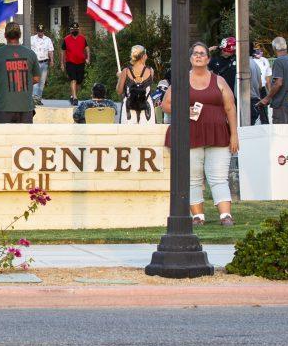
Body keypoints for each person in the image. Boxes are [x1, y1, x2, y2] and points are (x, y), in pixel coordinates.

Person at [160, 41, 239, 226]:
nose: (198, 56)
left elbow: (230, 107)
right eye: (195, 53)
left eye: (202, 53)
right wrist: (184, 110)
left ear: (208, 58)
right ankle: (197, 216)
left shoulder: (219, 80)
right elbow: (165, 104)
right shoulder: (181, 80)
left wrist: (234, 134)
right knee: (193, 177)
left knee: (218, 176)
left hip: (218, 134)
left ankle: (225, 215)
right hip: (190, 133)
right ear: (190, 58)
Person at [0, 23, 39, 123]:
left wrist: (4, 78)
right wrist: (20, 81)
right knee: (24, 138)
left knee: (1, 138)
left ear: (5, 35)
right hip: (25, 106)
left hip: (2, 106)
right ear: (20, 35)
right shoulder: (31, 54)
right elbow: (36, 78)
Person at [258, 36, 288, 124]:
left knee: (279, 133)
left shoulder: (279, 61)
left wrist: (267, 98)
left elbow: (278, 83)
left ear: (274, 48)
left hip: (281, 103)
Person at [116, 45, 155, 124]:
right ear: (143, 56)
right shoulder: (151, 71)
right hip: (146, 107)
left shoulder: (125, 71)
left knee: (129, 135)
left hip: (129, 109)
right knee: (148, 134)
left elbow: (119, 91)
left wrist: (119, 78)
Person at [61, 22, 90, 105]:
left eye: (76, 29)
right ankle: (75, 98)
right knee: (73, 79)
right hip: (70, 62)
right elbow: (63, 52)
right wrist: (62, 64)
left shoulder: (82, 38)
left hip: (81, 62)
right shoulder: (66, 39)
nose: (75, 30)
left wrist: (88, 58)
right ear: (70, 30)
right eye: (73, 29)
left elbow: (87, 49)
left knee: (79, 82)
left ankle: (73, 95)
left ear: (78, 29)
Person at [29, 24, 54, 105]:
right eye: (39, 31)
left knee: (42, 82)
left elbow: (50, 51)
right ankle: (34, 98)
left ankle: (39, 98)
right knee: (35, 80)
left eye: (42, 31)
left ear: (44, 31)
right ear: (37, 31)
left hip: (44, 62)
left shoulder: (48, 40)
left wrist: (52, 61)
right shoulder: (32, 39)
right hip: (35, 63)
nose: (40, 33)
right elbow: (27, 50)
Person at [250, 45, 271, 124]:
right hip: (252, 90)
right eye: (256, 49)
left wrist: (269, 93)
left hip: (262, 89)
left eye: (260, 49)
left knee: (264, 112)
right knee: (254, 112)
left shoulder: (265, 60)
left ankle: (266, 126)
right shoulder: (250, 61)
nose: (258, 51)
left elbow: (268, 78)